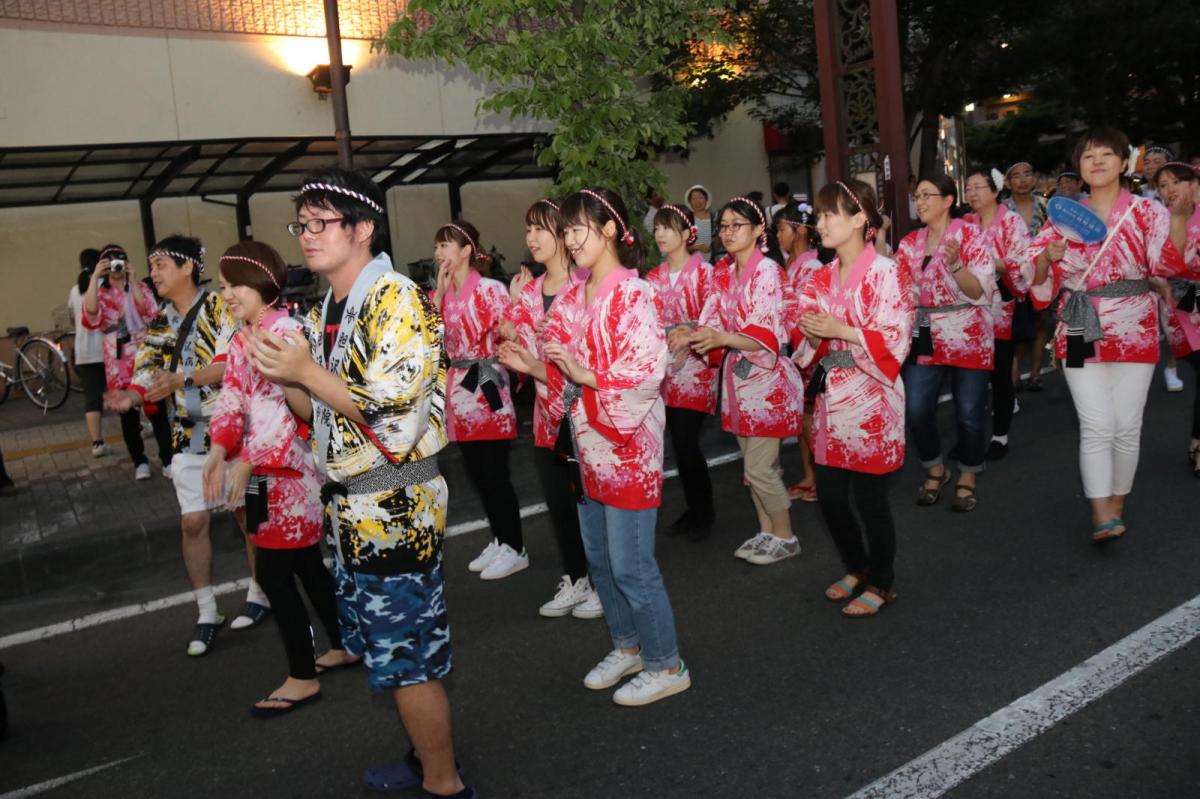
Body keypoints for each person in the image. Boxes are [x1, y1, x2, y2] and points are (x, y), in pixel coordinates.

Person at [249, 169, 473, 797]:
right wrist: (287, 375)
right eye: (302, 223)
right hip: (356, 508)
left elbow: (393, 419)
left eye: (321, 222)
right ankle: (423, 758)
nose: (307, 236)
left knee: (410, 663)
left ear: (363, 228)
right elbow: (319, 412)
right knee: (391, 653)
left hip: (394, 504)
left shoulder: (398, 298)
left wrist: (305, 374)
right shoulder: (331, 305)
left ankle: (443, 782)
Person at [499, 186, 690, 707]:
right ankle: (627, 646)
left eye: (576, 228)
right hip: (585, 441)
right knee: (600, 559)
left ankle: (667, 662)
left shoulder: (636, 293)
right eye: (565, 230)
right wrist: (531, 365)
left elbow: (647, 373)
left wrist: (585, 374)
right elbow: (560, 371)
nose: (568, 239)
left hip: (626, 444)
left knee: (632, 565)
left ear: (609, 229)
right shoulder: (572, 296)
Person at [203, 241, 354, 717]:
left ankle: (302, 675)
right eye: (223, 287)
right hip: (261, 469)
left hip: (288, 472)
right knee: (306, 564)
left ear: (261, 283)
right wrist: (217, 450)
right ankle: (346, 643)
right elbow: (233, 399)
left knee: (273, 571)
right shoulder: (242, 336)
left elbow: (288, 412)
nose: (225, 295)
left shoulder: (285, 332)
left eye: (232, 285)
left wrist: (244, 458)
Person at [1027, 127, 1198, 543]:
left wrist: (1177, 218)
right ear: (1079, 168)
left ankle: (1117, 500)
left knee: (1127, 424)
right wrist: (1047, 261)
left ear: (1125, 163)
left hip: (1134, 324)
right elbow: (1036, 283)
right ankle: (1100, 509)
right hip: (1081, 319)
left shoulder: (1145, 211)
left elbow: (1167, 264)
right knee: (1097, 423)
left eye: (1107, 154)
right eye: (1088, 156)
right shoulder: (1061, 216)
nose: (1097, 161)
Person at [104, 235, 263, 655]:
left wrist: (183, 379)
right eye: (152, 266)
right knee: (192, 522)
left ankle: (260, 592)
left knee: (248, 515)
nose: (153, 273)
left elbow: (234, 361)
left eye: (160, 265)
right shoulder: (158, 324)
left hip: (235, 428)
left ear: (188, 267)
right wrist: (132, 397)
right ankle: (207, 611)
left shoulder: (219, 307)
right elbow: (146, 372)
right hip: (187, 435)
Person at [795, 179, 913, 617]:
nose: (819, 222)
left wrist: (840, 331)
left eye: (830, 215)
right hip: (832, 395)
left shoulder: (888, 272)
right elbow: (805, 333)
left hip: (872, 398)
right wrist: (809, 331)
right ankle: (856, 565)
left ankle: (882, 582)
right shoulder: (820, 275)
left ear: (861, 218)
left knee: (870, 499)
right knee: (828, 495)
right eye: (819, 215)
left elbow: (895, 341)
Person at [498, 198, 601, 617]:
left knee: (591, 502)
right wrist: (509, 325)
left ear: (563, 234)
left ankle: (600, 580)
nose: (531, 238)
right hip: (546, 415)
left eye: (540, 229)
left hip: (586, 416)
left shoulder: (586, 288)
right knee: (559, 502)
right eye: (527, 230)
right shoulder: (529, 293)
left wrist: (534, 364)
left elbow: (591, 364)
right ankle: (576, 577)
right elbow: (520, 352)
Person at [690, 196, 805, 564]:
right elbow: (710, 320)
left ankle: (786, 535)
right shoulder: (723, 272)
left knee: (760, 467)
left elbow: (767, 333)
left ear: (759, 230)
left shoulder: (767, 272)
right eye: (723, 226)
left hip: (768, 382)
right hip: (739, 380)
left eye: (736, 224)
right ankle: (766, 531)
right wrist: (689, 335)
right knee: (751, 467)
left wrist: (722, 338)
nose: (727, 232)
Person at [432, 219, 527, 581]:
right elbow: (427, 335)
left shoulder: (487, 288)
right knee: (475, 471)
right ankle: (500, 538)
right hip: (458, 382)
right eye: (437, 246)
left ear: (466, 250)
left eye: (446, 245)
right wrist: (438, 296)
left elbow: (509, 331)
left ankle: (515, 546)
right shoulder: (442, 293)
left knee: (494, 470)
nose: (439, 252)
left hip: (484, 378)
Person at [896, 175, 995, 513]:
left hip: (968, 329)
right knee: (917, 407)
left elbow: (978, 290)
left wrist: (955, 265)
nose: (919, 202)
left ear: (949, 200)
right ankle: (935, 467)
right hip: (925, 328)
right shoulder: (909, 242)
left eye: (927, 195)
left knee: (969, 411)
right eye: (916, 196)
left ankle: (968, 472)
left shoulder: (971, 235)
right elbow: (900, 292)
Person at [646, 203, 717, 541]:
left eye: (668, 227)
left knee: (687, 441)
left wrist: (690, 334)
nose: (660, 234)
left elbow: (715, 316)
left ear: (689, 234)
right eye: (657, 228)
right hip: (665, 371)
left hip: (697, 367)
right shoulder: (652, 278)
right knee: (678, 442)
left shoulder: (706, 273)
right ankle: (694, 508)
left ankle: (704, 512)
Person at [83, 244, 173, 480]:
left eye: (120, 261)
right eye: (111, 263)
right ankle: (139, 462)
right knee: (128, 415)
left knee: (157, 410)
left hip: (143, 352)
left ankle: (168, 459)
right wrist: (94, 277)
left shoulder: (140, 286)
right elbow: (91, 314)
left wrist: (133, 281)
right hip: (117, 357)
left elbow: (149, 312)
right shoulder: (100, 291)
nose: (117, 267)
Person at [963, 167, 1031, 460]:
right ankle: (970, 434)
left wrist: (988, 260)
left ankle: (1000, 435)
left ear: (995, 191)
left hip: (1001, 306)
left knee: (1000, 373)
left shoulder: (1011, 222)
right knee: (971, 375)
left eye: (978, 187)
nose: (972, 193)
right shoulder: (965, 223)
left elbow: (1022, 262)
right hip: (970, 306)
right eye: (968, 188)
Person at [775, 201, 823, 502]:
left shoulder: (812, 267)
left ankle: (822, 476)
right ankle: (810, 474)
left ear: (801, 229)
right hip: (792, 349)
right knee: (802, 416)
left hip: (806, 348)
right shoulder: (790, 265)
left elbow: (807, 317)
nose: (779, 235)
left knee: (809, 416)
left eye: (782, 229)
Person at [1154, 162, 1200, 475]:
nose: (1170, 190)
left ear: (1194, 184)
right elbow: (1162, 268)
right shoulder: (1157, 222)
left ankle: (1197, 441)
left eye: (1176, 182)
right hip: (1181, 308)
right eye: (1162, 185)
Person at [1006, 161, 1051, 392]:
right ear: (1007, 182)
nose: (1023, 179)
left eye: (1027, 174)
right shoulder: (1003, 209)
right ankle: (1014, 373)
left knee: (1041, 322)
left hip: (1042, 271)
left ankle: (1035, 373)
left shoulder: (1046, 206)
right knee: (1018, 325)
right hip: (1013, 276)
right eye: (1016, 176)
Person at [67, 248, 107, 457]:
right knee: (120, 391)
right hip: (107, 350)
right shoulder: (104, 286)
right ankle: (141, 426)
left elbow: (73, 319)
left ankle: (97, 442)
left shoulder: (75, 290)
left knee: (92, 398)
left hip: (84, 352)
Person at [685, 184, 715, 256]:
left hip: (711, 263)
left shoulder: (714, 218)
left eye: (701, 197)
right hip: (691, 262)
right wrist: (696, 247)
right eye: (694, 198)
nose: (697, 201)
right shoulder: (687, 219)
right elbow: (680, 245)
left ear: (706, 199)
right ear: (690, 202)